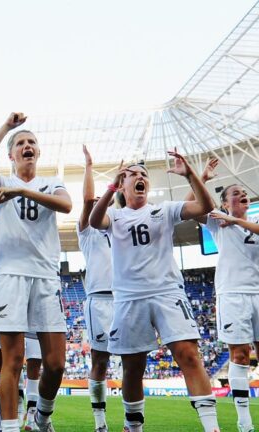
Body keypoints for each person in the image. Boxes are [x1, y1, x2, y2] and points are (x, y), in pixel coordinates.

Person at [89, 151, 219, 432]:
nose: (140, 177)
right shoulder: (114, 215)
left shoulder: (165, 209)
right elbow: (93, 220)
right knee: (133, 368)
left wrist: (191, 175)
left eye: (144, 174)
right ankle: (133, 427)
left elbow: (205, 206)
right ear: (123, 186)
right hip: (128, 299)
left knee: (189, 354)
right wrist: (110, 185)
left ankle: (211, 427)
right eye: (133, 174)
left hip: (167, 292)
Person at [0, 112, 72, 432]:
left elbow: (66, 205)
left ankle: (41, 416)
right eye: (21, 143)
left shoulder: (52, 183)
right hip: (10, 276)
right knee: (12, 361)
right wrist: (6, 127)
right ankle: (9, 427)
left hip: (45, 277)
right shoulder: (2, 182)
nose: (27, 145)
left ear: (38, 152)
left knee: (56, 364)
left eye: (31, 141)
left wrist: (23, 193)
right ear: (11, 155)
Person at [191, 158, 257, 432]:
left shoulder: (252, 222)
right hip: (232, 294)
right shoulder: (217, 224)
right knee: (240, 355)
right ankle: (244, 422)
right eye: (234, 193)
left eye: (243, 192)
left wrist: (235, 220)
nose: (241, 194)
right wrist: (202, 177)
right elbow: (190, 209)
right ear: (225, 203)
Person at [76, 145, 114, 432]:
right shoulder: (88, 231)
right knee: (99, 361)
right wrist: (89, 166)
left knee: (133, 361)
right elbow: (88, 200)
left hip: (127, 298)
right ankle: (100, 423)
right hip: (99, 301)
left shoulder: (121, 227)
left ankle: (132, 421)